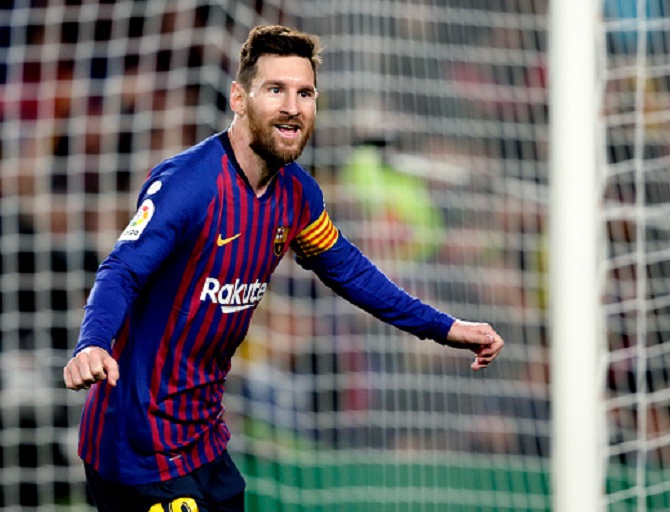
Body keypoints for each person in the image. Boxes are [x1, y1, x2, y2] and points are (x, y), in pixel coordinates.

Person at [63, 24, 504, 512]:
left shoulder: (297, 196)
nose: (293, 106)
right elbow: (121, 270)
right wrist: (93, 343)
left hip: (204, 443)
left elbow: (352, 274)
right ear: (238, 97)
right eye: (276, 90)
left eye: (305, 92)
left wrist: (446, 327)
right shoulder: (188, 185)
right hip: (137, 446)